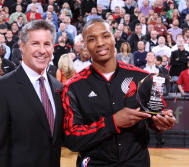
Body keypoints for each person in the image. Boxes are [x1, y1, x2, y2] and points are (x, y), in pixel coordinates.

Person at [62, 18, 175, 167]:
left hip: (137, 162)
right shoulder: (72, 87)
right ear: (85, 45)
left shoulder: (143, 78)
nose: (100, 43)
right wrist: (112, 123)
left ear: (114, 39)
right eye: (92, 39)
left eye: (105, 36)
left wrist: (162, 122)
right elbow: (71, 138)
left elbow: (156, 116)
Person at [0, 20, 63, 167]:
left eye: (47, 44)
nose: (42, 50)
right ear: (22, 47)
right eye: (35, 43)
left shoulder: (58, 87)